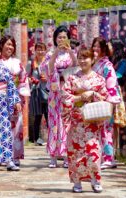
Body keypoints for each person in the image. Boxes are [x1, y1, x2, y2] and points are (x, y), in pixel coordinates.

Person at [62, 47, 108, 193]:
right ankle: (77, 181)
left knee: (93, 151)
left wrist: (93, 93)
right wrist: (79, 97)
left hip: (92, 122)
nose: (82, 61)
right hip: (77, 121)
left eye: (85, 57)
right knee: (76, 152)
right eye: (80, 57)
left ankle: (96, 180)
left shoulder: (99, 79)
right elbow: (65, 97)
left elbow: (104, 97)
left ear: (92, 59)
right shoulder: (72, 78)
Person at [40, 25, 77, 168]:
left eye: (64, 37)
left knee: (67, 122)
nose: (62, 39)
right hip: (55, 92)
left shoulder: (71, 53)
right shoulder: (50, 54)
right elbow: (48, 69)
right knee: (54, 122)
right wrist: (55, 53)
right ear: (55, 39)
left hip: (67, 90)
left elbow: (76, 66)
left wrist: (71, 53)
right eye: (59, 37)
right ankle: (53, 155)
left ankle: (67, 155)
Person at [0, 35, 30, 169]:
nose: (9, 47)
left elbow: (23, 80)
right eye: (7, 44)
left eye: (12, 45)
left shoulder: (17, 62)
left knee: (16, 127)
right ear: (1, 45)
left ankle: (15, 156)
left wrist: (20, 96)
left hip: (15, 98)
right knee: (1, 126)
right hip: (0, 98)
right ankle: (1, 155)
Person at [91, 37, 121, 169]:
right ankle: (103, 156)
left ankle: (109, 158)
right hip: (97, 100)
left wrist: (110, 99)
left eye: (98, 47)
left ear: (104, 49)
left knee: (106, 129)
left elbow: (111, 84)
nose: (95, 49)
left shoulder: (107, 65)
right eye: (94, 46)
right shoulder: (96, 63)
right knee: (100, 129)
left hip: (106, 100)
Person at [0, 41, 21, 171]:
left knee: (6, 131)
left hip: (3, 103)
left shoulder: (3, 67)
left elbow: (10, 85)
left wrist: (16, 101)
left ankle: (8, 160)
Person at [29, 42, 48, 146]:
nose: (40, 51)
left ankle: (51, 138)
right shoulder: (31, 63)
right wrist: (32, 80)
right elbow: (27, 76)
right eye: (38, 49)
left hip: (47, 91)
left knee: (48, 115)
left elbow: (53, 76)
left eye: (42, 49)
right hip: (36, 92)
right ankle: (36, 139)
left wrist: (47, 78)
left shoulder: (49, 62)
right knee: (37, 116)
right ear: (35, 51)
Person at [110, 39, 126, 151]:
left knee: (114, 122)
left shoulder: (123, 62)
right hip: (110, 92)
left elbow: (119, 75)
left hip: (116, 92)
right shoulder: (111, 61)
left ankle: (114, 149)